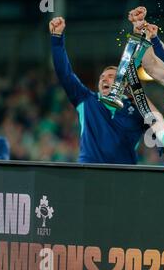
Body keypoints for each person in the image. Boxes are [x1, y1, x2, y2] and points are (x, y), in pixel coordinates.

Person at [49, 17, 146, 164]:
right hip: (89, 172)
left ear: (124, 83)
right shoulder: (87, 100)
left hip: (125, 176)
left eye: (111, 76)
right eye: (102, 77)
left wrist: (140, 35)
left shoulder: (137, 108)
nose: (104, 79)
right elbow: (64, 73)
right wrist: (56, 39)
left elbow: (161, 128)